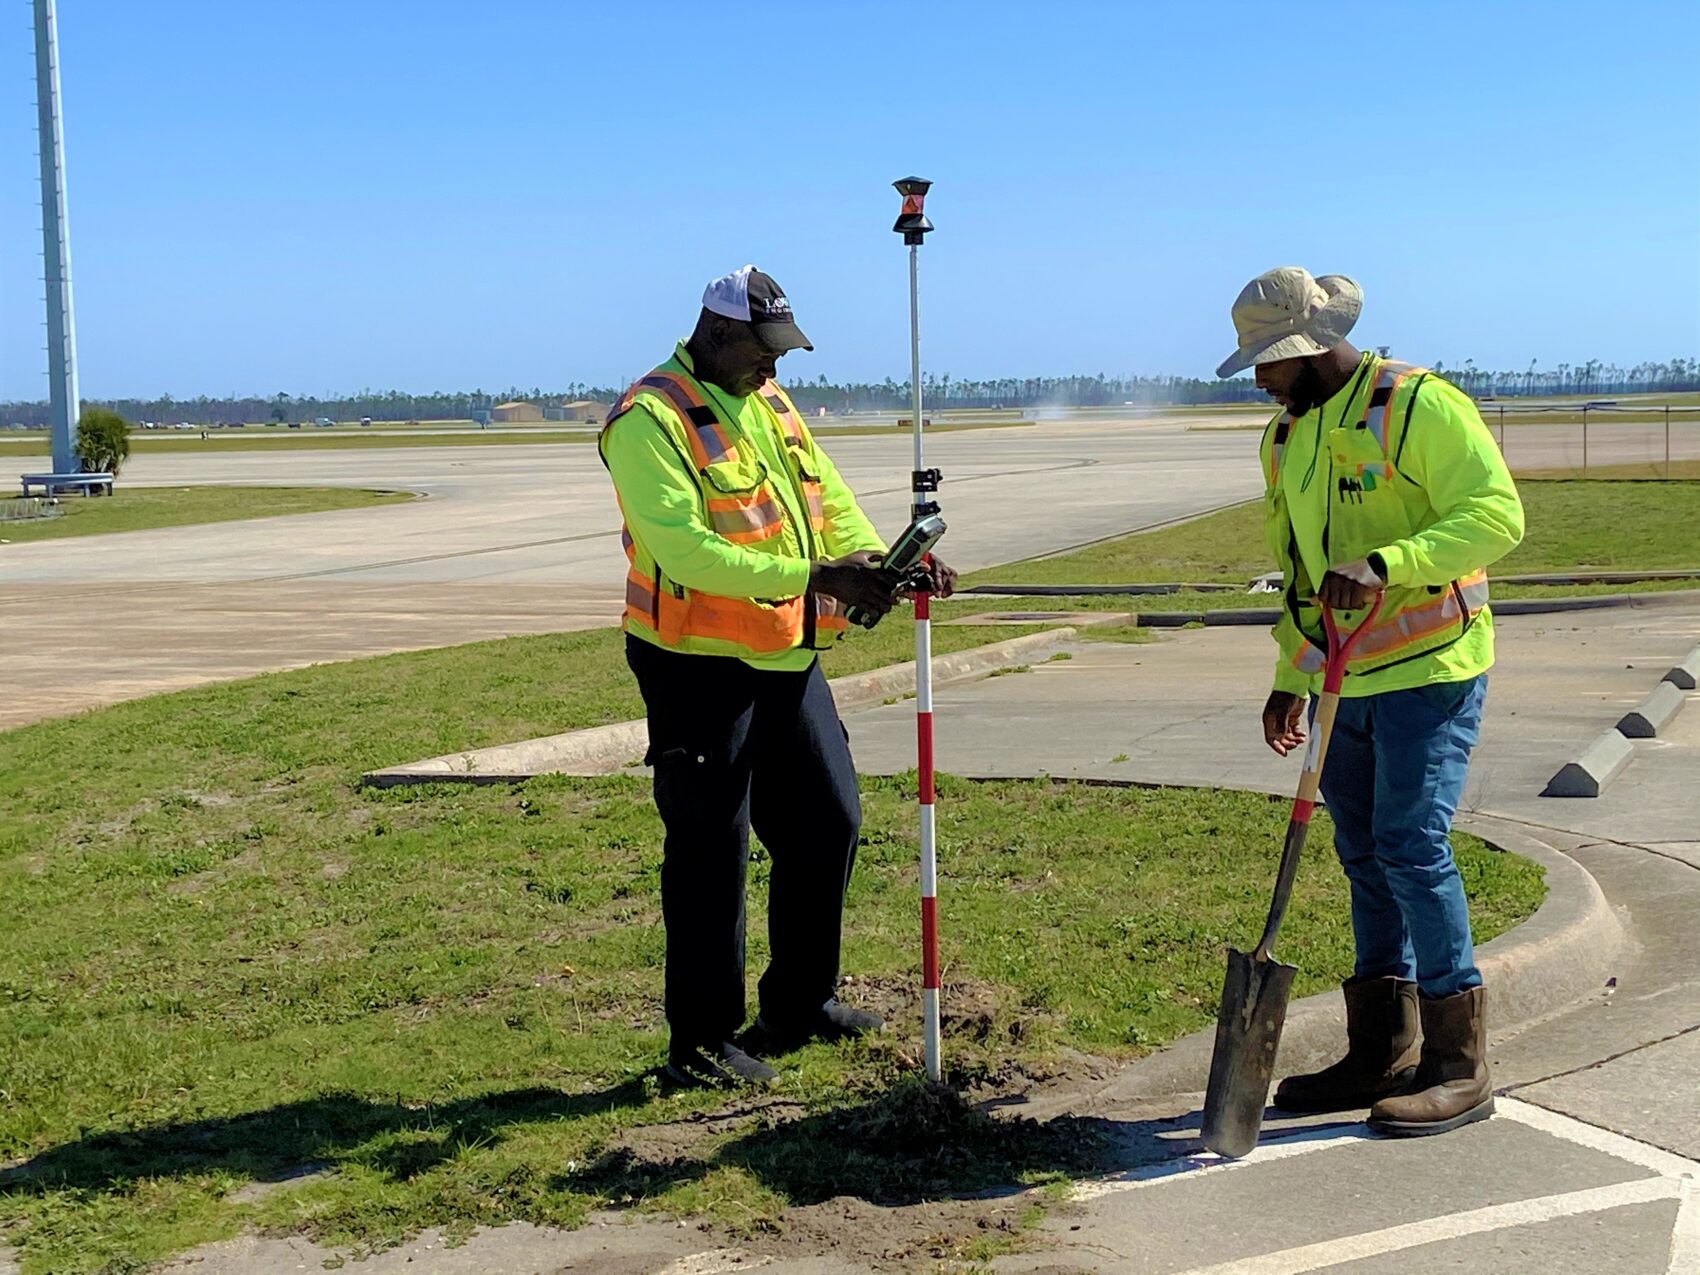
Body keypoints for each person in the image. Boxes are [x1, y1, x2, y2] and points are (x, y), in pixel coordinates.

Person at [599, 265, 956, 1089]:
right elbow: (686, 551)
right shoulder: (648, 419)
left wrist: (878, 558)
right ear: (718, 332)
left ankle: (799, 1002)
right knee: (710, 847)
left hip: (782, 652)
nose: (775, 366)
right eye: (765, 350)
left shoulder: (769, 402)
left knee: (828, 820)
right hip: (694, 665)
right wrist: (819, 576)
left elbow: (828, 497)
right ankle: (700, 1041)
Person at [1217, 266, 1525, 1136]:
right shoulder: (1286, 437)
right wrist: (1291, 673)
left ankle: (1459, 1064)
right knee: (1362, 850)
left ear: (1312, 349)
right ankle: (1381, 1048)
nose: (1259, 379)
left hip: (1432, 665)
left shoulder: (1417, 406)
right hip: (1342, 678)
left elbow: (1496, 516)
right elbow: (1300, 573)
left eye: (1269, 362)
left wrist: (1389, 563)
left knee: (1409, 844)